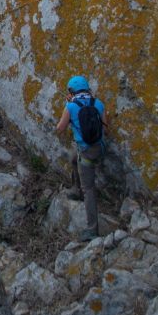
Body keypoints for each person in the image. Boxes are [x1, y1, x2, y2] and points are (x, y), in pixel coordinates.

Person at [55, 75, 105, 242]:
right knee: (72, 159)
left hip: (86, 152)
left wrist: (68, 108)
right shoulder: (97, 103)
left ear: (71, 91)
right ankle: (76, 189)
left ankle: (92, 230)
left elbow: (60, 128)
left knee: (89, 190)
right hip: (99, 148)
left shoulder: (71, 106)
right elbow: (106, 125)